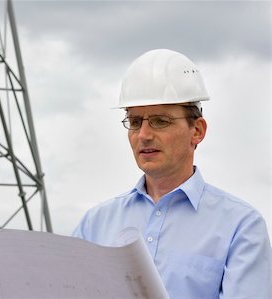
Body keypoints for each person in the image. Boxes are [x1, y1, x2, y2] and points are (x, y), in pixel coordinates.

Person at [72, 49, 271, 299]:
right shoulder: (94, 224)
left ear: (197, 130)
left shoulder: (240, 227)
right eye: (134, 122)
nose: (143, 134)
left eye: (160, 121)